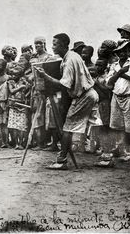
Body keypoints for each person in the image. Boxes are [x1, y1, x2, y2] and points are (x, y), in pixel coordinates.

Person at [41, 33, 98, 170]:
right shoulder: (71, 56)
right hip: (88, 93)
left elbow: (64, 85)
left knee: (67, 128)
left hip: (84, 95)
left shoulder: (69, 60)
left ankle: (61, 161)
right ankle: (105, 155)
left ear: (62, 45)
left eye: (55, 44)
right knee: (92, 125)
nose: (52, 47)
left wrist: (44, 76)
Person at [106, 39, 130, 162]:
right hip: (116, 96)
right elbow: (109, 83)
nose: (123, 53)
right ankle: (123, 151)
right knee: (117, 126)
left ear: (128, 51)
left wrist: (117, 74)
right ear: (117, 53)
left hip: (129, 96)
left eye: (125, 50)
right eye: (120, 51)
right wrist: (120, 71)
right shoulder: (114, 65)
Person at [7, 65, 30, 150]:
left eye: (16, 75)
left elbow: (28, 91)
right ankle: (16, 143)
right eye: (12, 75)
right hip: (13, 106)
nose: (13, 76)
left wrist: (25, 90)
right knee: (14, 127)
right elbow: (12, 91)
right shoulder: (10, 82)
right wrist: (21, 87)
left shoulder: (24, 81)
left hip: (22, 106)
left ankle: (20, 143)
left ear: (20, 75)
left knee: (21, 127)